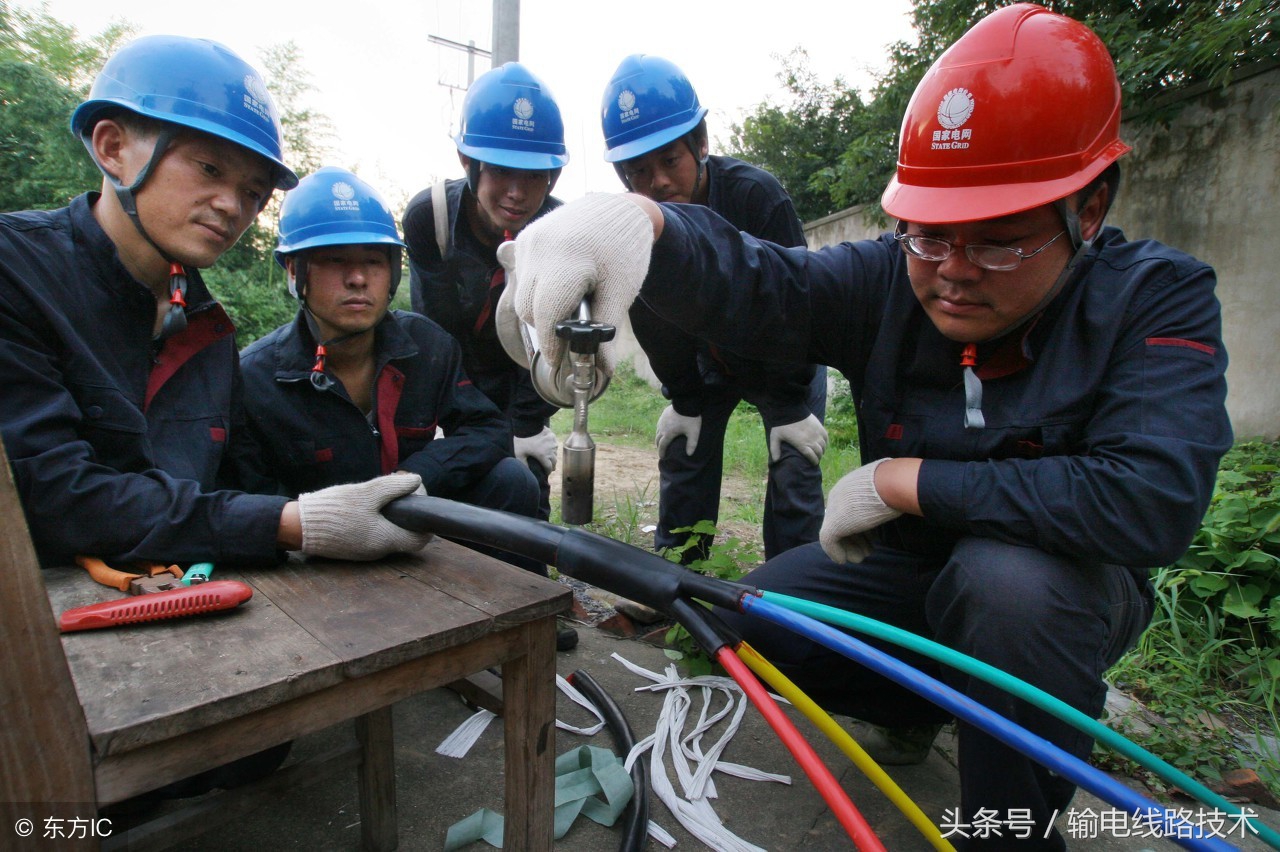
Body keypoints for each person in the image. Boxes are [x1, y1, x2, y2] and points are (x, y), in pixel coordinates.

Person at [509, 5, 1232, 847]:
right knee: (760, 614)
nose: (953, 274)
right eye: (928, 235)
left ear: (1090, 207)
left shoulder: (1156, 297)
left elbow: (1151, 500)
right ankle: (929, 706)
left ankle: (1009, 835)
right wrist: (646, 228)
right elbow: (764, 282)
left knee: (1008, 592)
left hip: (1057, 594)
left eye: (997, 242)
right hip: (912, 572)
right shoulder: (888, 280)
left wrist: (908, 481)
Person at [0, 36, 432, 798]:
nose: (233, 205)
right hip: (30, 620)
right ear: (113, 146)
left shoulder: (206, 331)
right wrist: (297, 524)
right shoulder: (18, 276)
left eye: (255, 191)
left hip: (160, 597)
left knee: (259, 745)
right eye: (208, 169)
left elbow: (227, 479)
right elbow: (55, 497)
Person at [236, 166, 576, 650]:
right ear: (295, 272)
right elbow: (250, 498)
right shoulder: (254, 378)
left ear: (393, 271)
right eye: (334, 262)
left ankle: (525, 622)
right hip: (322, 552)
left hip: (409, 524)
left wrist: (415, 481)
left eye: (374, 262)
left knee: (511, 481)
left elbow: (485, 429)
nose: (358, 279)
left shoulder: (427, 346)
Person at [600, 54, 827, 564]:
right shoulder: (638, 225)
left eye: (669, 161)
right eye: (638, 170)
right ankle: (679, 579)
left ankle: (791, 592)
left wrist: (791, 402)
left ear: (700, 145)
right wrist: (683, 396)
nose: (656, 181)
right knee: (685, 447)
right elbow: (653, 319)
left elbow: (799, 303)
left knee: (794, 464)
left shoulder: (756, 197)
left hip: (784, 357)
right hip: (707, 359)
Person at [402, 61, 567, 521]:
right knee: (453, 498)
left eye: (534, 175)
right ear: (468, 164)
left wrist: (527, 424)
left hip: (524, 377)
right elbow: (432, 333)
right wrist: (442, 413)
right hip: (455, 379)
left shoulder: (561, 233)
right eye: (501, 172)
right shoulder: (430, 219)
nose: (517, 192)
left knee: (526, 494)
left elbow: (550, 342)